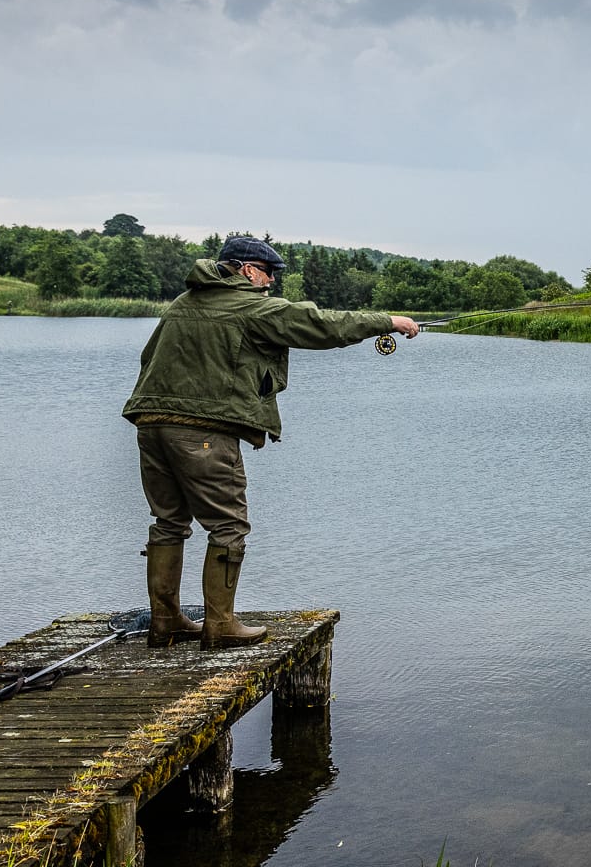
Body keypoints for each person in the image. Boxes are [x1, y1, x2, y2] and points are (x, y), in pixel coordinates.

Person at [122, 236, 420, 649]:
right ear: (247, 269)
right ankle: (220, 625)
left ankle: (166, 621)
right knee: (228, 525)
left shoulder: (181, 304)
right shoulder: (249, 305)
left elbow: (148, 359)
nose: (271, 283)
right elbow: (321, 325)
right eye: (269, 274)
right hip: (204, 431)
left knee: (169, 522)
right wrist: (387, 321)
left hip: (150, 424)